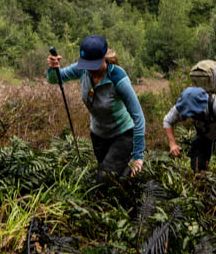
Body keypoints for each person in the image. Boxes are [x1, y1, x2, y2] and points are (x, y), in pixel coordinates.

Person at [47, 35, 145, 182]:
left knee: (104, 178)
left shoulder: (118, 78)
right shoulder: (82, 69)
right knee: (116, 178)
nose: (90, 70)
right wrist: (53, 67)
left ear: (103, 58)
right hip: (98, 135)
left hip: (123, 135)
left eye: (94, 65)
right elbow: (55, 79)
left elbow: (138, 117)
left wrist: (138, 155)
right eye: (87, 65)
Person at [163, 86, 216, 174]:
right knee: (197, 166)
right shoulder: (184, 105)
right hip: (206, 134)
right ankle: (202, 182)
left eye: (194, 114)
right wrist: (172, 144)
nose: (191, 117)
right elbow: (167, 121)